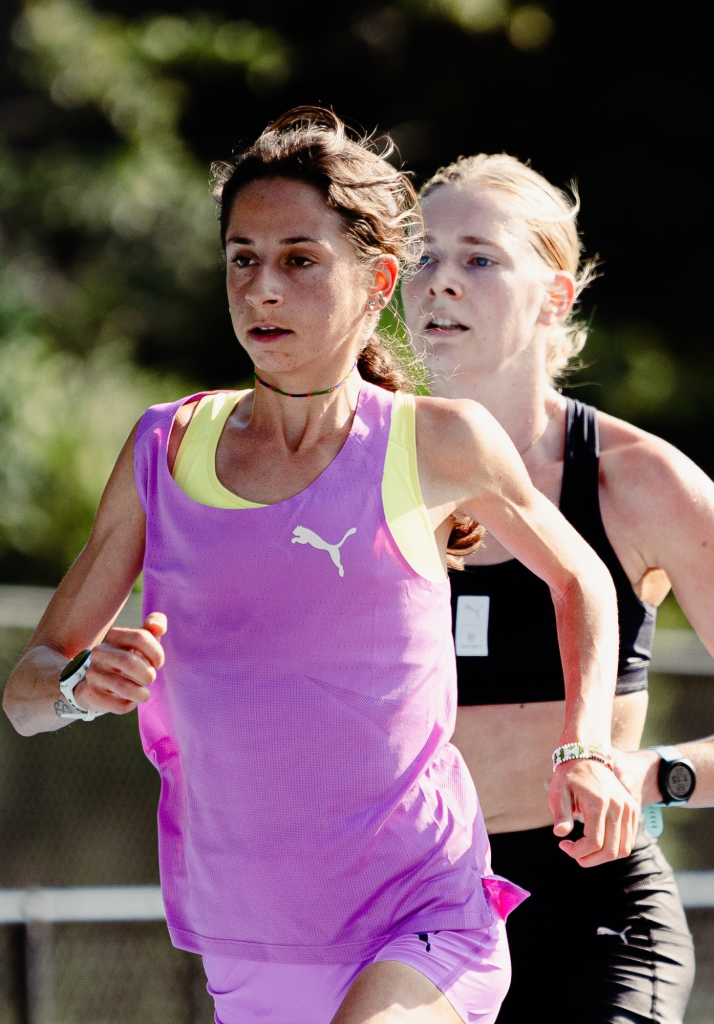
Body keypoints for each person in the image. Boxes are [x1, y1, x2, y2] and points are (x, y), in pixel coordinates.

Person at [1, 108, 640, 1024]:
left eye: (300, 260)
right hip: (247, 938)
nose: (262, 288)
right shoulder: (162, 448)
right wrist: (77, 685)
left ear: (377, 280)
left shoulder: (438, 442)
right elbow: (24, 696)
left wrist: (588, 749)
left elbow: (582, 580)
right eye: (242, 258)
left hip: (423, 920)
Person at [403, 153, 714, 1023]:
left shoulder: (639, 483)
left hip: (592, 919)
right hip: (410, 914)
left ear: (556, 297)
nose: (440, 283)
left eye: (479, 258)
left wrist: (642, 774)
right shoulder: (363, 471)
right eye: (423, 257)